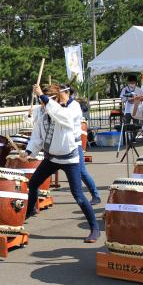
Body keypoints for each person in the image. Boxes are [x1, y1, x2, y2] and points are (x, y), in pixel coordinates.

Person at [20, 84, 100, 243]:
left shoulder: (72, 109)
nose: (43, 105)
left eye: (46, 101)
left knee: (78, 195)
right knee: (33, 183)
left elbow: (64, 118)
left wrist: (44, 98)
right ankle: (31, 210)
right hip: (51, 158)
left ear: (55, 99)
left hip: (70, 159)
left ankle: (95, 228)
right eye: (42, 102)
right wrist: (28, 152)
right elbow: (37, 136)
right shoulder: (43, 114)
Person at [60, 84, 101, 205]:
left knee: (82, 172)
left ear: (66, 93)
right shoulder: (59, 105)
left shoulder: (74, 105)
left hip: (74, 144)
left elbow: (67, 120)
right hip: (60, 145)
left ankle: (95, 195)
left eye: (59, 93)